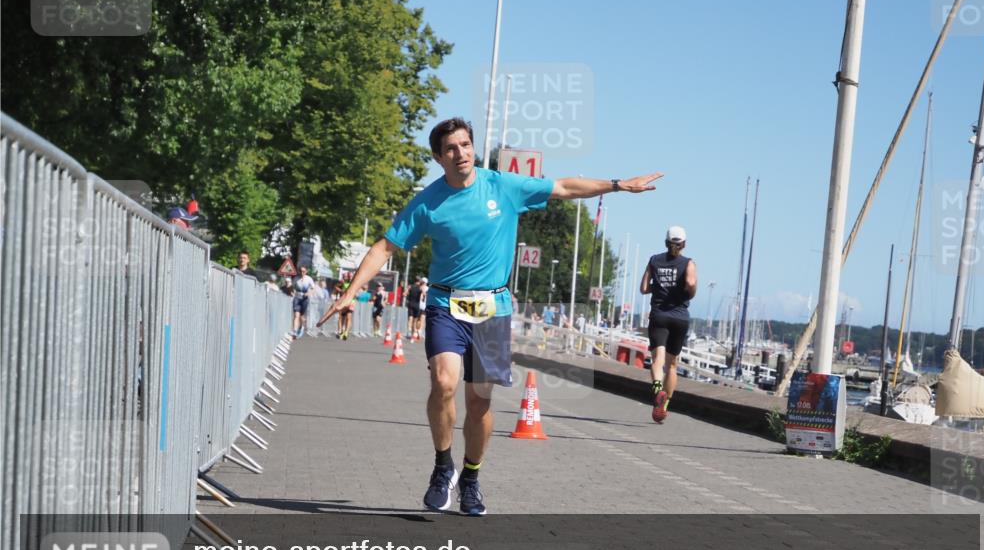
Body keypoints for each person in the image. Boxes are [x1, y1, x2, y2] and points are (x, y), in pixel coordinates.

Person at [319, 117, 661, 515]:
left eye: (465, 145)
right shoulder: (428, 202)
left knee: (479, 402)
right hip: (446, 305)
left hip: (493, 309)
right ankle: (442, 466)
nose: (460, 153)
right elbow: (384, 247)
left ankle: (471, 477)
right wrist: (350, 292)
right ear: (438, 156)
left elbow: (565, 187)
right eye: (451, 148)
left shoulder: (502, 185)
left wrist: (619, 185)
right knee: (444, 383)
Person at [639, 225, 697, 423]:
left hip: (659, 315)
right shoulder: (688, 263)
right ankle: (665, 403)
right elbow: (690, 284)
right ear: (684, 244)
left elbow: (644, 288)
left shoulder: (654, 260)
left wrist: (659, 286)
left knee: (658, 358)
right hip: (680, 317)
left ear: (666, 241)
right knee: (672, 365)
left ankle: (657, 388)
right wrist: (688, 291)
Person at [292, 265, 315, 338]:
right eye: (301, 271)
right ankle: (295, 331)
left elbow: (313, 289)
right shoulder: (296, 279)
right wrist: (293, 293)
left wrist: (309, 293)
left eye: (304, 271)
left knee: (302, 316)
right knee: (296, 315)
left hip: (305, 299)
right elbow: (292, 288)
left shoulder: (309, 279)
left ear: (306, 272)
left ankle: (301, 327)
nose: (302, 273)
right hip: (297, 298)